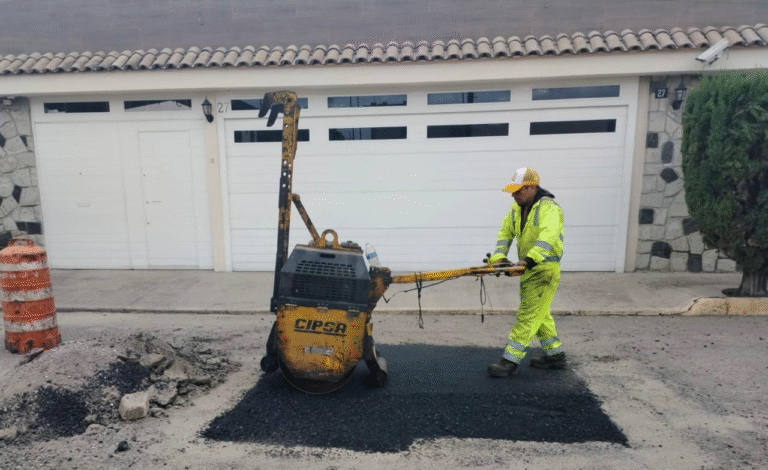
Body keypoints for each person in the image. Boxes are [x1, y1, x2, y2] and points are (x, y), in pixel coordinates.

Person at [486, 167, 566, 377]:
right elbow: (505, 234)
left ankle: (510, 361)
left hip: (545, 269)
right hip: (531, 269)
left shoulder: (549, 209)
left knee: (528, 315)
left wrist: (528, 260)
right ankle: (556, 355)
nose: (513, 195)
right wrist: (499, 258)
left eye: (518, 191)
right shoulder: (516, 209)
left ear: (531, 187)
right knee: (540, 313)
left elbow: (548, 238)